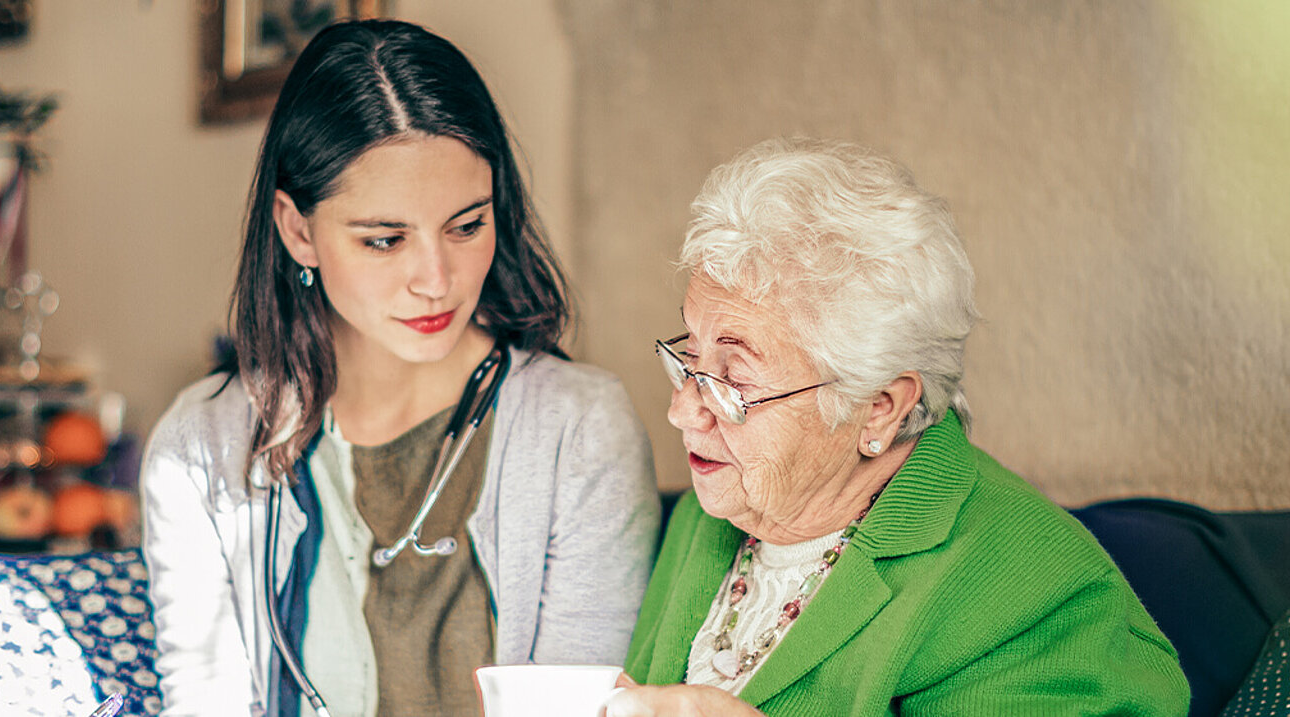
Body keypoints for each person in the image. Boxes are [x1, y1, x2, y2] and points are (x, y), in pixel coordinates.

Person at [140, 20, 659, 717]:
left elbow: (575, 709)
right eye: (385, 240)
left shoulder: (581, 430)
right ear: (299, 230)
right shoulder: (199, 449)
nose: (436, 279)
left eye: (467, 225)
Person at [603, 138, 1188, 716]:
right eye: (692, 358)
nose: (683, 410)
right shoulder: (713, 514)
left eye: (735, 380)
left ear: (880, 407)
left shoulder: (1036, 597)